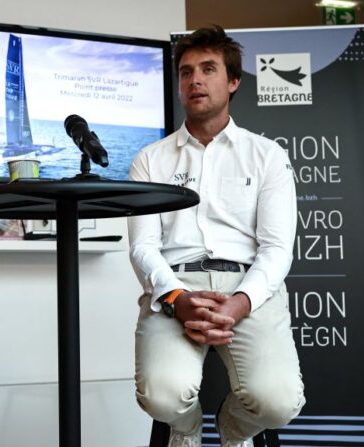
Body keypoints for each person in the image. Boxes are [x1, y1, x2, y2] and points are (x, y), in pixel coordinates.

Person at [127, 25, 305, 447]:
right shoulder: (150, 160)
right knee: (161, 397)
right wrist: (177, 298)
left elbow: (278, 249)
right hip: (176, 290)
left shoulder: (267, 156)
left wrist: (241, 302)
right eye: (186, 72)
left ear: (234, 81)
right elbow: (142, 247)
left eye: (208, 69)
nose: (195, 80)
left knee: (279, 403)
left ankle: (231, 429)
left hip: (249, 289)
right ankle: (186, 429)